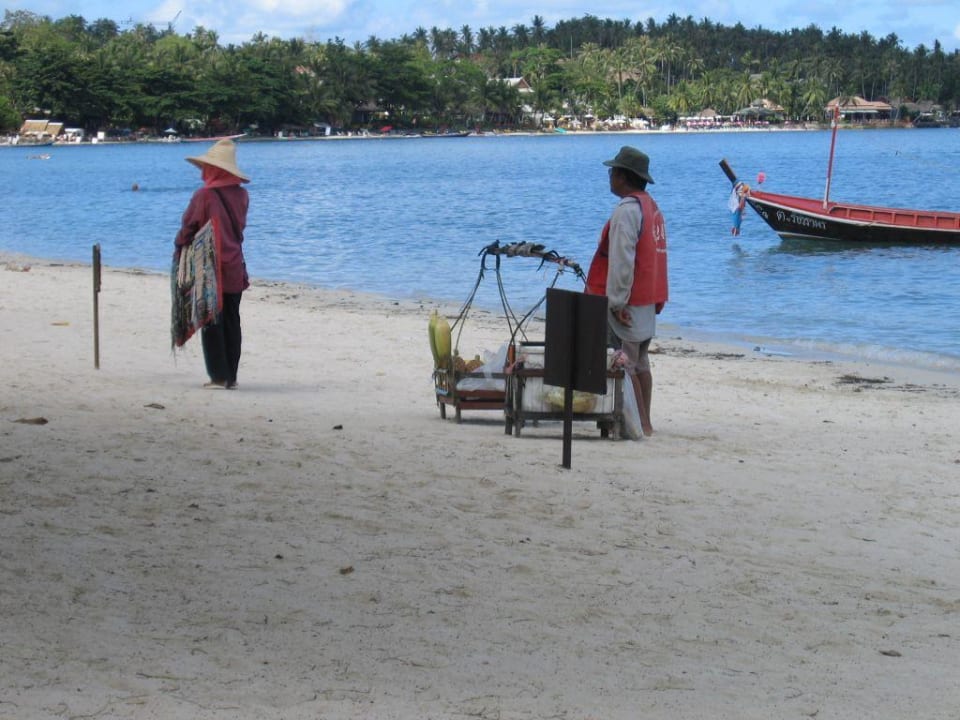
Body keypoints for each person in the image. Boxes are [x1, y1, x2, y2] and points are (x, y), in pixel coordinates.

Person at [585, 146, 668, 436]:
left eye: (612, 171)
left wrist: (617, 302)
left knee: (626, 364)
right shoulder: (651, 206)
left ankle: (637, 424)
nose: (609, 176)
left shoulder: (627, 211)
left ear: (623, 176)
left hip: (629, 301)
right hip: (647, 297)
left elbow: (622, 260)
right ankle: (645, 423)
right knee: (641, 363)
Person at [175, 139, 250, 389]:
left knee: (211, 320)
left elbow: (189, 226)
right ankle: (232, 376)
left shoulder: (204, 196)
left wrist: (179, 246)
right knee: (232, 319)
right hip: (235, 265)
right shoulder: (241, 195)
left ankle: (218, 376)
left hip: (212, 267)